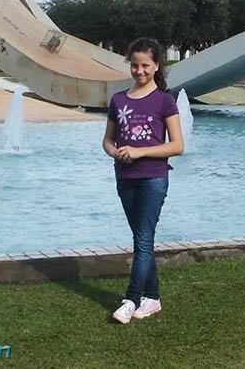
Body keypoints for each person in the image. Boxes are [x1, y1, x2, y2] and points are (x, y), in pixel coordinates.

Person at [102, 37, 184, 324]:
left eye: (145, 65)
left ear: (156, 65)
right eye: (135, 65)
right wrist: (117, 153)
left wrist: (140, 151)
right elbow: (108, 141)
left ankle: (131, 299)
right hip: (125, 178)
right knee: (142, 240)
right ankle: (153, 298)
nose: (139, 71)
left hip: (153, 178)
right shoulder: (118, 100)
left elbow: (176, 145)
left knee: (143, 240)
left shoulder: (165, 100)